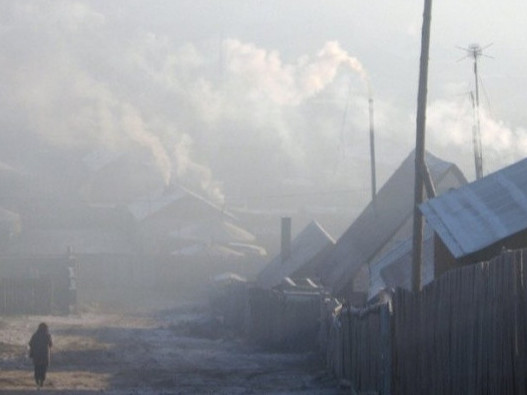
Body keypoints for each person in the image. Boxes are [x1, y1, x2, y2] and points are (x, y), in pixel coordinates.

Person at [29, 322, 53, 388]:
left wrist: (32, 352)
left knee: (37, 368)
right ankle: (42, 381)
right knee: (43, 368)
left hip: (36, 355)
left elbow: (30, 343)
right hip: (44, 355)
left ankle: (37, 380)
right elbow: (51, 344)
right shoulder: (47, 335)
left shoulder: (35, 335)